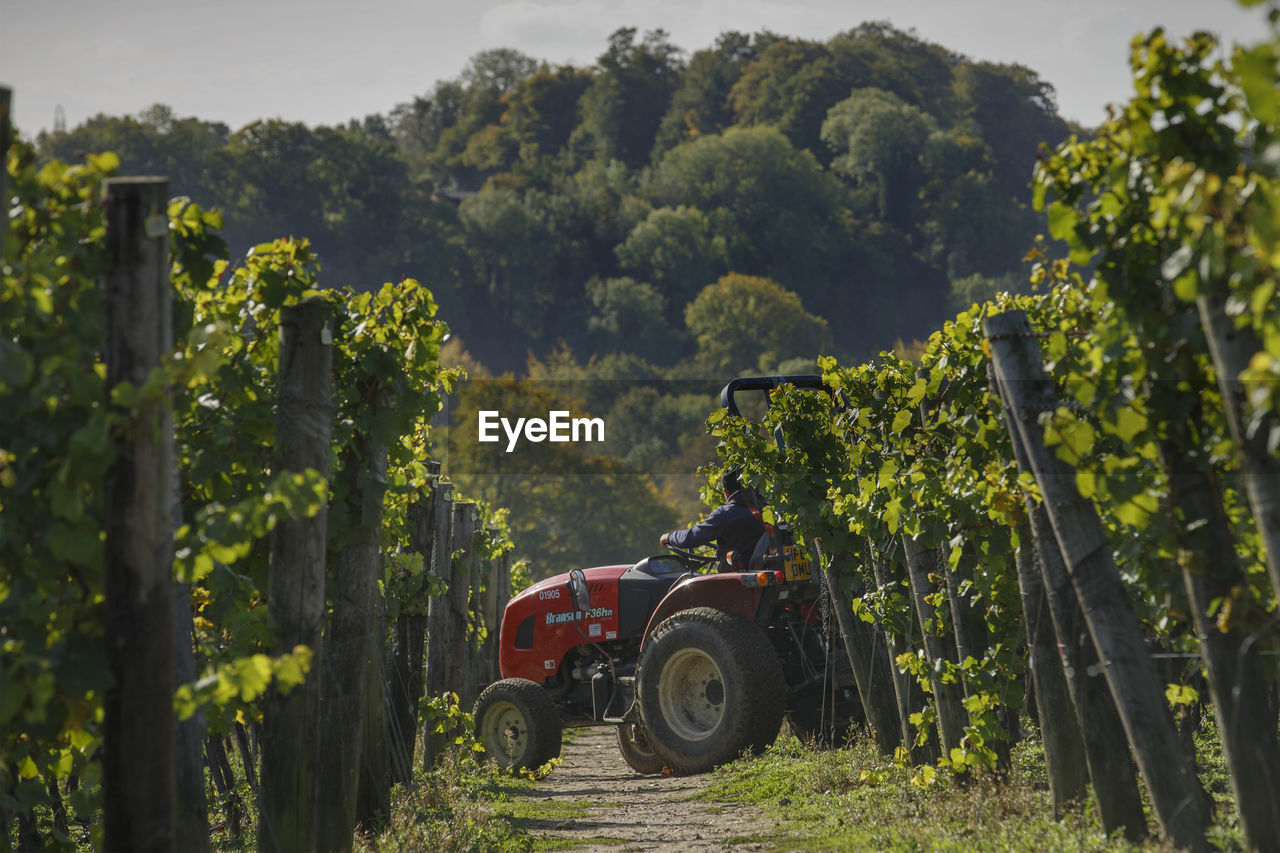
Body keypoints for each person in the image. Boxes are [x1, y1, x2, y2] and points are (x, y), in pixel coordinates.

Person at [659, 469, 766, 572]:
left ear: (726, 493)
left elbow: (691, 538)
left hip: (736, 580)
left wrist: (669, 537)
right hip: (766, 571)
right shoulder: (767, 510)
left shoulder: (725, 514)